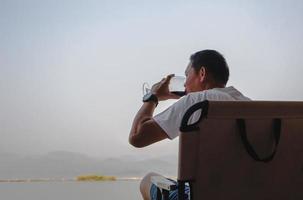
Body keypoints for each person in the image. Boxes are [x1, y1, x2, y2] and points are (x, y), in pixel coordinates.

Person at [129, 49, 251, 200]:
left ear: (202, 73)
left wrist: (153, 97)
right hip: (249, 193)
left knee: (149, 179)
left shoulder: (196, 102)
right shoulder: (251, 106)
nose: (185, 83)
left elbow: (137, 137)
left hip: (204, 195)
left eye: (187, 75)